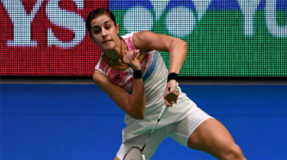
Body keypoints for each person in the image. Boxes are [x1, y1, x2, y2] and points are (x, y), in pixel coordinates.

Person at [86, 8, 246, 160]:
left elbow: (178, 44)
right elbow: (137, 112)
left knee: (232, 153)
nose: (104, 34)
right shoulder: (102, 75)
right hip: (141, 127)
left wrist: (172, 79)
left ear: (117, 28)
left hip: (177, 110)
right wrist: (136, 72)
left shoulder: (139, 41)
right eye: (97, 31)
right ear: (92, 38)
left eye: (107, 27)